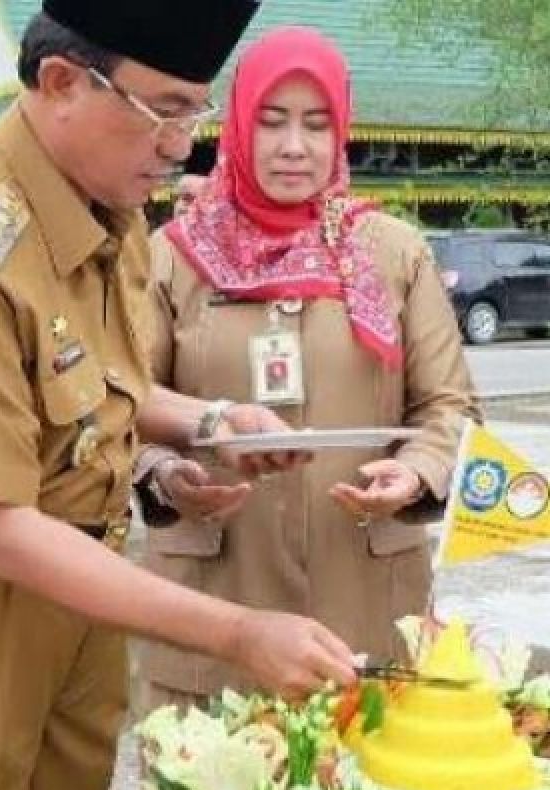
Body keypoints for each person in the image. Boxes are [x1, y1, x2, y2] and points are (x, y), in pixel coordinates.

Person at [0, 3, 359, 790]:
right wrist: (239, 632)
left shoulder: (107, 201)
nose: (181, 144)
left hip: (76, 596)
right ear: (63, 83)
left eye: (194, 111)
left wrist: (212, 423)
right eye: (163, 111)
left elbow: (96, 387)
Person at [134, 26, 480, 711]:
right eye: (272, 121)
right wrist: (166, 475)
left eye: (317, 125)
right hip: (214, 611)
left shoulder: (390, 254)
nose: (295, 146)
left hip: (369, 612)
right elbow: (119, 400)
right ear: (236, 126)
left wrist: (416, 473)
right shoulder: (171, 256)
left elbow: (450, 409)